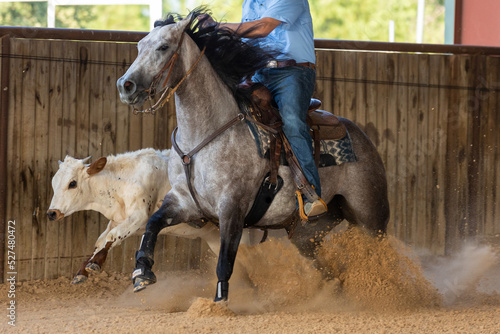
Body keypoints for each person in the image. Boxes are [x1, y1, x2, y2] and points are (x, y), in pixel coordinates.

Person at [200, 0, 327, 219]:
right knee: (226, 113)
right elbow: (246, 40)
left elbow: (262, 28)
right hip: (258, 73)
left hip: (293, 72)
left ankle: (310, 196)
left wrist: (216, 27)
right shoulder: (249, 3)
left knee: (292, 122)